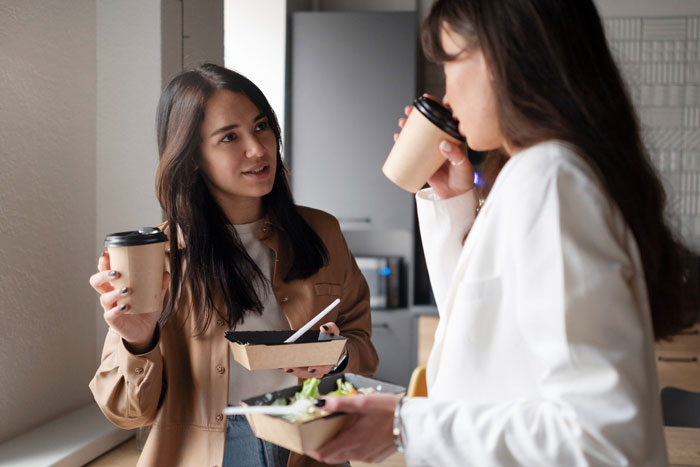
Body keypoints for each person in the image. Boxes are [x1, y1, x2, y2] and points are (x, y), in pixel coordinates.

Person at [307, 0, 687, 465]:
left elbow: (599, 436)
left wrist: (405, 425)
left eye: (451, 62)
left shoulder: (550, 177)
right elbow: (478, 336)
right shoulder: (532, 173)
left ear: (510, 56)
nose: (446, 94)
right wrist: (453, 203)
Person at [88, 64, 378, 467]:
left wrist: (337, 356)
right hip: (211, 452)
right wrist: (138, 341)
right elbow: (125, 412)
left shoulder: (321, 231)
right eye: (229, 137)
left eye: (261, 127)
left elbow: (362, 340)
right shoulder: (158, 256)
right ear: (191, 158)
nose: (258, 149)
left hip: (309, 442)